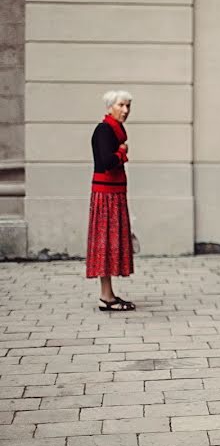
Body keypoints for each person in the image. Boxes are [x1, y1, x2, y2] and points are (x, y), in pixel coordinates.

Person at [86, 90, 135, 311]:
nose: (125, 110)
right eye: (121, 105)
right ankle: (106, 297)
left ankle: (108, 294)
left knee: (109, 243)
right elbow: (106, 162)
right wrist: (122, 153)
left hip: (113, 193)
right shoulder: (105, 130)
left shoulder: (115, 130)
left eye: (128, 106)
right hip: (106, 196)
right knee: (105, 242)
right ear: (109, 107)